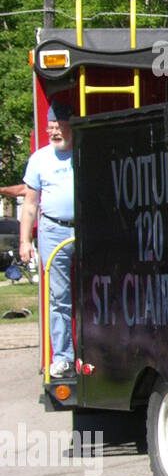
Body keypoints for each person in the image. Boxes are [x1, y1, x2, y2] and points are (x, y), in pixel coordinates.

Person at [20, 101, 76, 377]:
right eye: (50, 127)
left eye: (58, 127)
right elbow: (30, 204)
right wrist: (24, 242)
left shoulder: (84, 153)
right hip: (53, 232)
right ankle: (63, 357)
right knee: (59, 297)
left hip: (88, 230)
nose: (53, 132)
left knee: (96, 292)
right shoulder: (39, 159)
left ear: (71, 125)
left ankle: (97, 351)